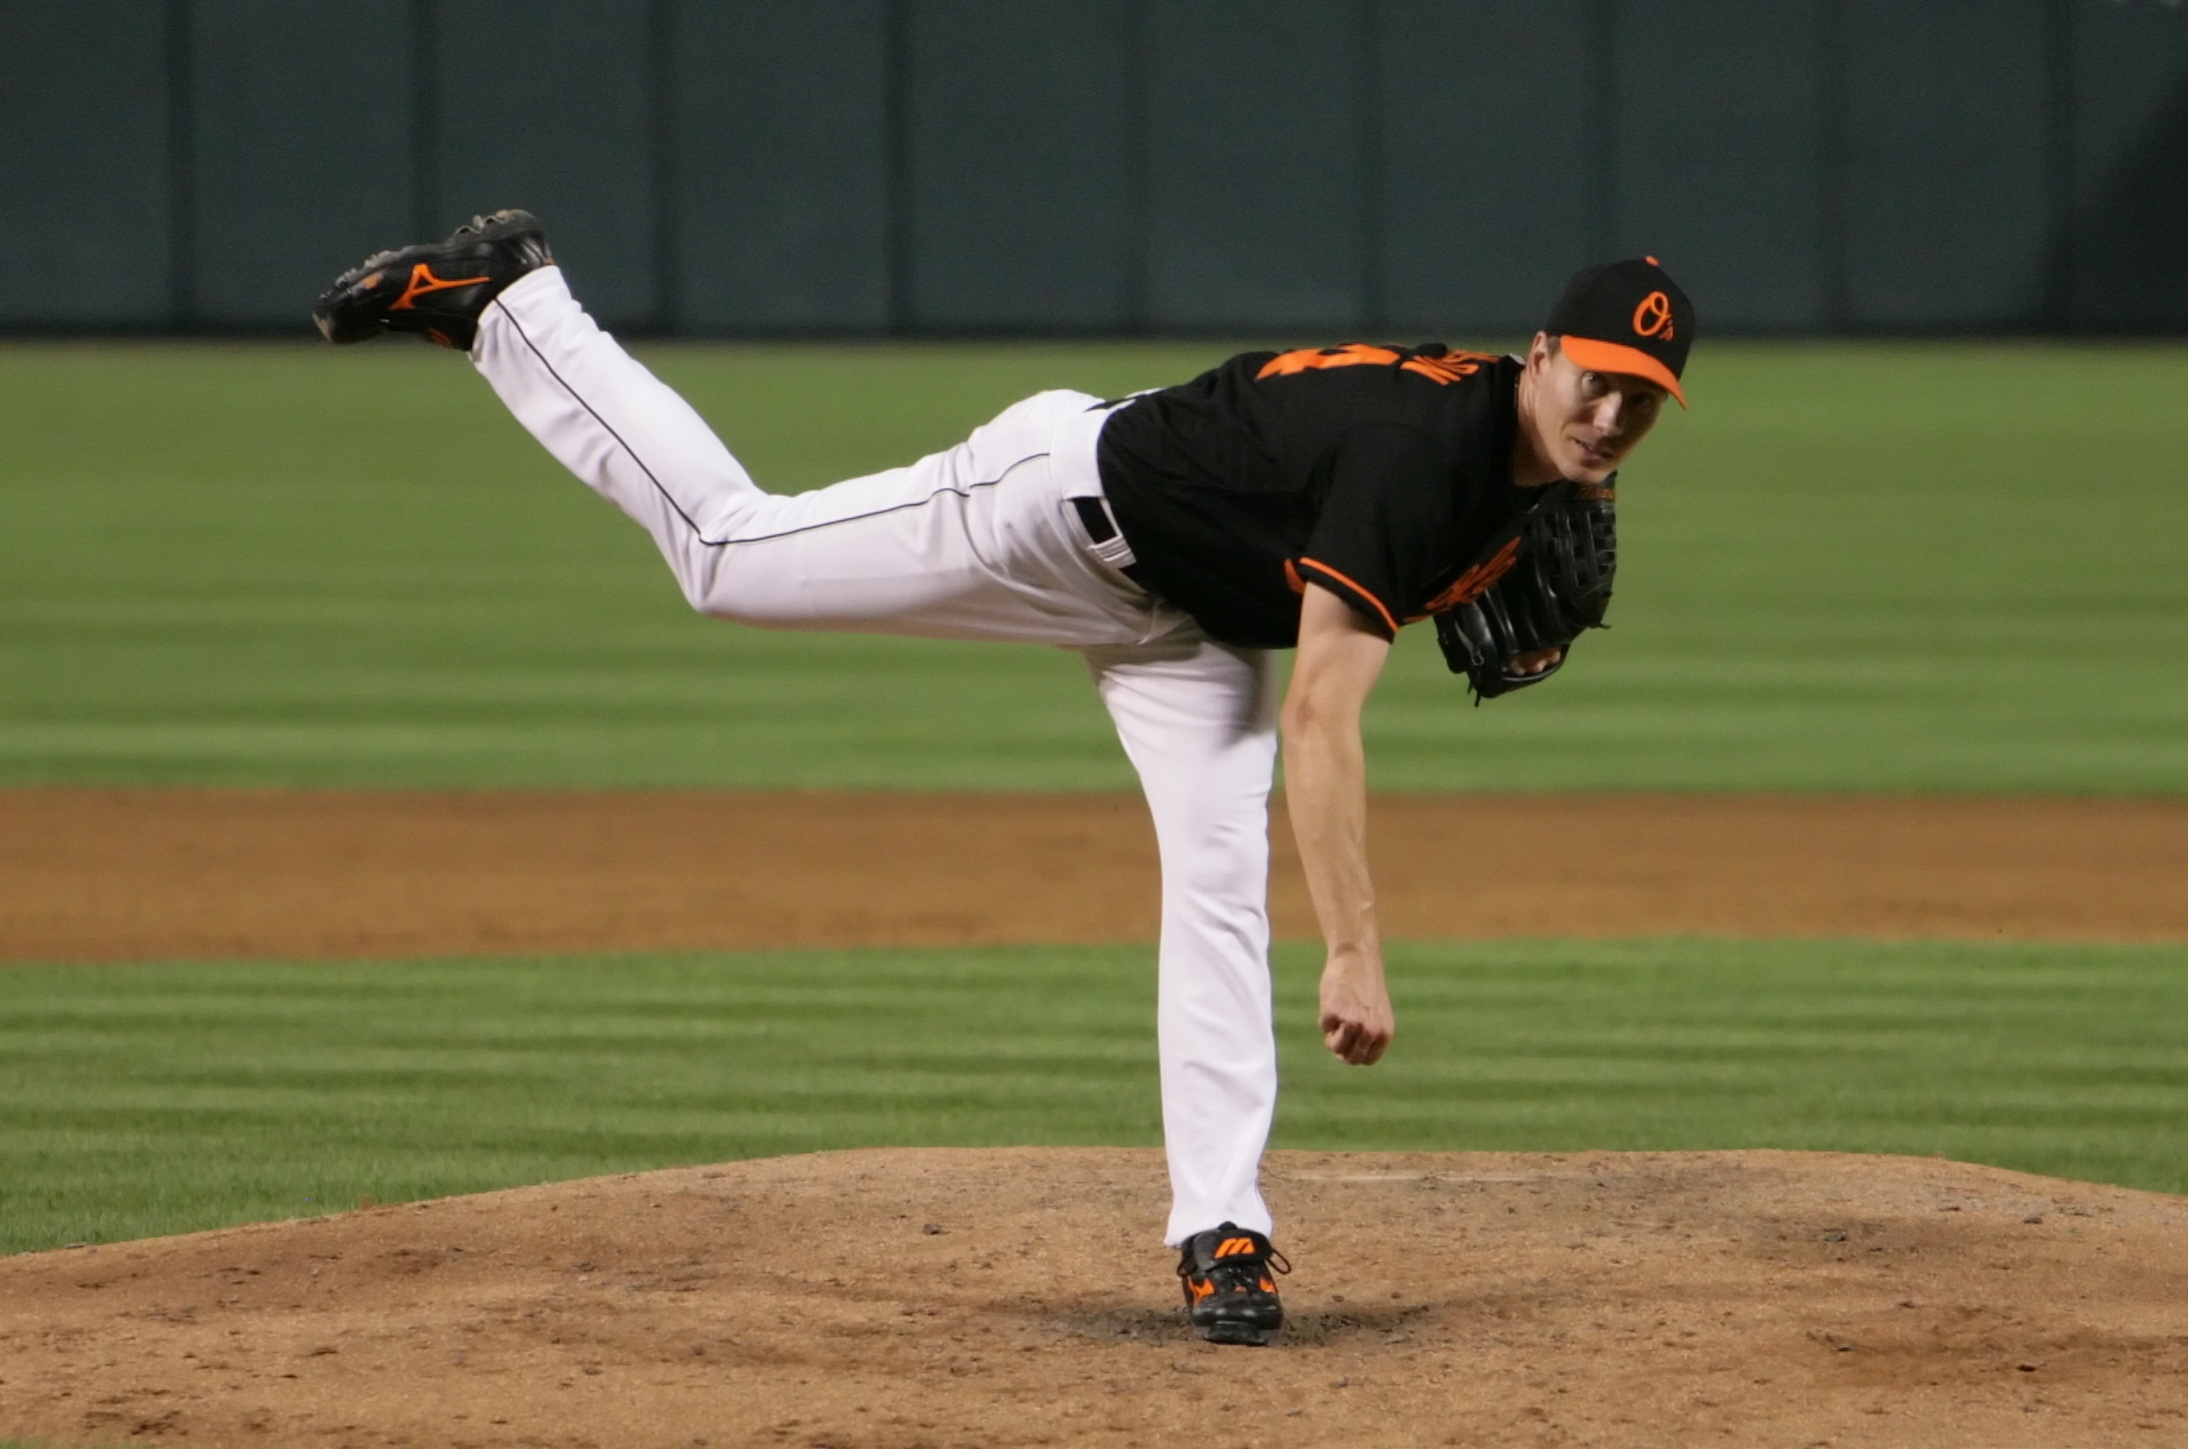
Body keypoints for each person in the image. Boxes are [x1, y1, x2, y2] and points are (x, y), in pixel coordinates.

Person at [313, 212, 1694, 1346]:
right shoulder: (1420, 452)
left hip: (1190, 629)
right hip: (1046, 512)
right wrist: (1355, 948)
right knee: (728, 558)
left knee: (1216, 880)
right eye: (1592, 376)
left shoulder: (1536, 473)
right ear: (1536, 353)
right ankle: (515, 305)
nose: (1612, 409)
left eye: (1643, 397)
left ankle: (1225, 1228)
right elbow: (1328, 717)